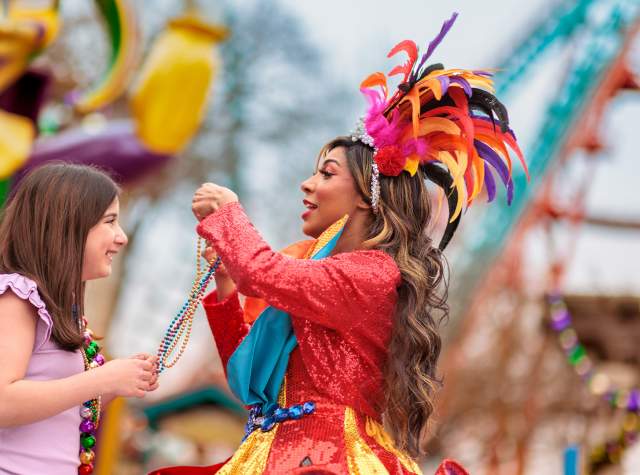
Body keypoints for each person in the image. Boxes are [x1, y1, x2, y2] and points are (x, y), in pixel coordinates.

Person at [153, 12, 525, 475]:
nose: (306, 185)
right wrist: (226, 289)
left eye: (326, 173)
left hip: (329, 460)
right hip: (270, 453)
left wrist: (230, 214)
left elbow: (265, 272)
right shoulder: (318, 272)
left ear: (370, 197)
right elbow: (250, 381)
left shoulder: (373, 273)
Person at [0, 163, 160, 475]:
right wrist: (103, 378)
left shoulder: (65, 310)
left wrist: (118, 384)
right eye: (110, 222)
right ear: (68, 225)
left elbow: (57, 414)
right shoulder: (17, 297)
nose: (122, 237)